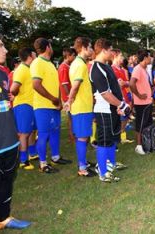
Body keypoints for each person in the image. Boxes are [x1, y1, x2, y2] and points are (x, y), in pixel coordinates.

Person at [0, 29, 31, 232]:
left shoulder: (2, 75)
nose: (5, 50)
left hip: (10, 142)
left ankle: (3, 218)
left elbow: (3, 103)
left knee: (7, 182)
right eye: (0, 45)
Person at [90, 38, 130, 182]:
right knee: (104, 141)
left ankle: (111, 164)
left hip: (113, 109)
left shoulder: (106, 66)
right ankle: (102, 171)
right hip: (103, 110)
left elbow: (114, 88)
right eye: (111, 50)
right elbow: (105, 94)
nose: (112, 53)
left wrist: (119, 104)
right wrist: (121, 105)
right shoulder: (96, 68)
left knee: (112, 139)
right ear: (104, 50)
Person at [31, 38, 72, 173]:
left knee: (55, 130)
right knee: (43, 134)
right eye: (51, 45)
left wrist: (58, 101)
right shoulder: (37, 63)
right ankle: (43, 164)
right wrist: (53, 99)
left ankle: (55, 157)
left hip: (53, 105)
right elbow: (36, 84)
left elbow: (55, 85)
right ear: (48, 47)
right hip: (43, 106)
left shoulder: (50, 64)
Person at [64, 37, 96, 177]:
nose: (92, 50)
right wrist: (69, 100)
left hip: (84, 106)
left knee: (84, 137)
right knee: (82, 138)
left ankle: (84, 162)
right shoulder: (79, 64)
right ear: (83, 48)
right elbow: (75, 86)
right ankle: (82, 168)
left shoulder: (80, 63)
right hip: (81, 107)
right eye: (90, 47)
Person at [10, 48, 37, 170]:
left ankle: (32, 154)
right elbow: (14, 87)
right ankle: (23, 160)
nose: (36, 56)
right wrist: (13, 95)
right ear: (30, 56)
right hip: (23, 105)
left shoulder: (29, 68)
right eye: (35, 54)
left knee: (31, 131)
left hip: (31, 105)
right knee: (24, 133)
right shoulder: (21, 69)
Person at [129, 50, 153, 154]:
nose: (151, 58)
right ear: (145, 58)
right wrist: (138, 95)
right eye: (149, 56)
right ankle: (138, 146)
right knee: (140, 124)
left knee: (147, 124)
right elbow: (131, 83)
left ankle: (146, 143)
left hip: (148, 102)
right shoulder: (137, 69)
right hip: (141, 103)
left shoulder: (145, 69)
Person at [111, 49, 134, 144]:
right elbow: (118, 85)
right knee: (118, 119)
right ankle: (115, 140)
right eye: (120, 56)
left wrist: (125, 83)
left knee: (125, 118)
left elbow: (127, 83)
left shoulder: (122, 69)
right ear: (115, 56)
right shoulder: (112, 69)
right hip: (119, 98)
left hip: (125, 95)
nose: (122, 58)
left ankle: (122, 137)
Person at [58, 47, 76, 143]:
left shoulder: (68, 66)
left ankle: (73, 135)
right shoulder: (63, 67)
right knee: (71, 118)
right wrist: (70, 97)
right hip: (68, 97)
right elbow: (64, 84)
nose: (74, 57)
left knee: (72, 117)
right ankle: (71, 137)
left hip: (70, 96)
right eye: (73, 56)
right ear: (68, 56)